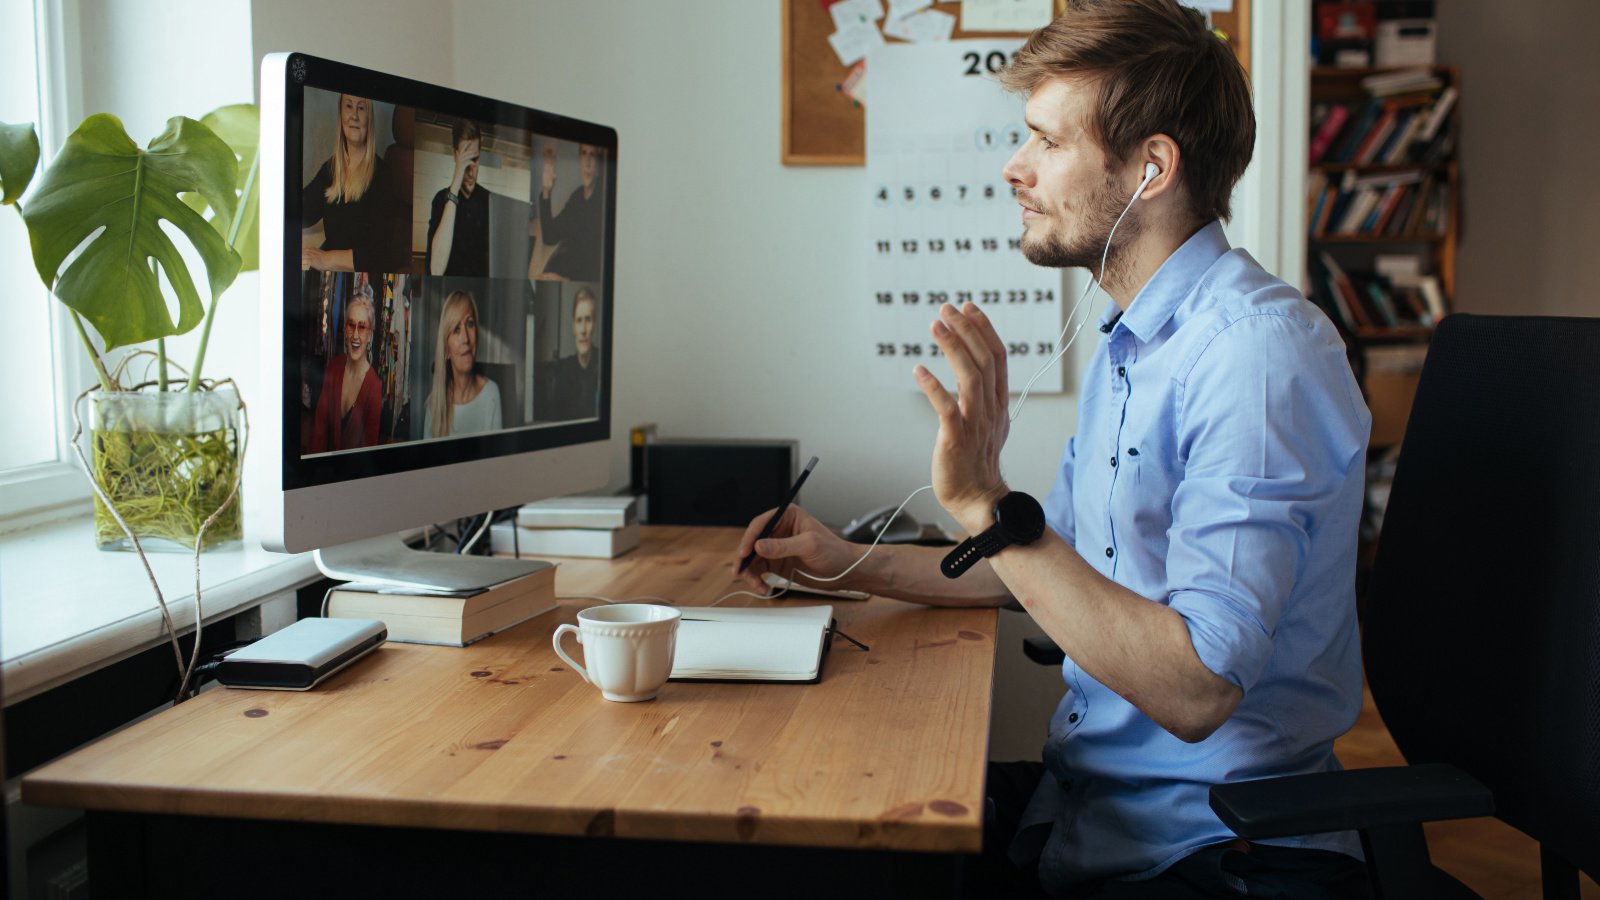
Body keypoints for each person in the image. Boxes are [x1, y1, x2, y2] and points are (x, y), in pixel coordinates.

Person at [734, 2, 1373, 897]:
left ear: (1151, 167)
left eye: (1045, 141)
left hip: (1216, 853)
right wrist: (845, 565)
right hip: (1095, 813)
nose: (1014, 167)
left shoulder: (1254, 354)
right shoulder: (1135, 337)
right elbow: (1043, 569)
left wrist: (991, 508)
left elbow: (1198, 688)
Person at [301, 93, 408, 273]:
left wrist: (325, 259)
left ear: (369, 117)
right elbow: (302, 212)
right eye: (348, 106)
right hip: (330, 271)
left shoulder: (383, 175)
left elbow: (379, 254)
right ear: (340, 114)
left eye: (361, 107)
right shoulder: (331, 168)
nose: (354, 116)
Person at [308, 284, 383, 453]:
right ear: (344, 328)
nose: (355, 335)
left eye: (362, 327)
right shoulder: (334, 367)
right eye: (351, 325)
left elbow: (368, 453)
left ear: (370, 334)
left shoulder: (374, 387)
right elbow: (319, 430)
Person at [423, 290, 502, 438]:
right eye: (456, 329)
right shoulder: (433, 406)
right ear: (446, 349)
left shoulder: (491, 394)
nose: (465, 338)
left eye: (470, 324)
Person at [425, 119, 493, 276]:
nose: (470, 171)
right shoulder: (440, 200)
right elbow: (435, 270)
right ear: (455, 155)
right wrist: (454, 187)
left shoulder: (490, 201)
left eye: (474, 159)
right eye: (465, 160)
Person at [534, 143, 603, 281]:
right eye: (584, 154)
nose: (588, 163)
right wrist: (547, 189)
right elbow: (550, 236)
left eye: (592, 155)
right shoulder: (577, 197)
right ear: (579, 160)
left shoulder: (603, 198)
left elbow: (599, 268)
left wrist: (565, 281)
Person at [545, 287, 599, 420]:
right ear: (573, 326)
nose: (583, 330)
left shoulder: (604, 364)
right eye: (579, 320)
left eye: (588, 319)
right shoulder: (562, 372)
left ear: (595, 324)